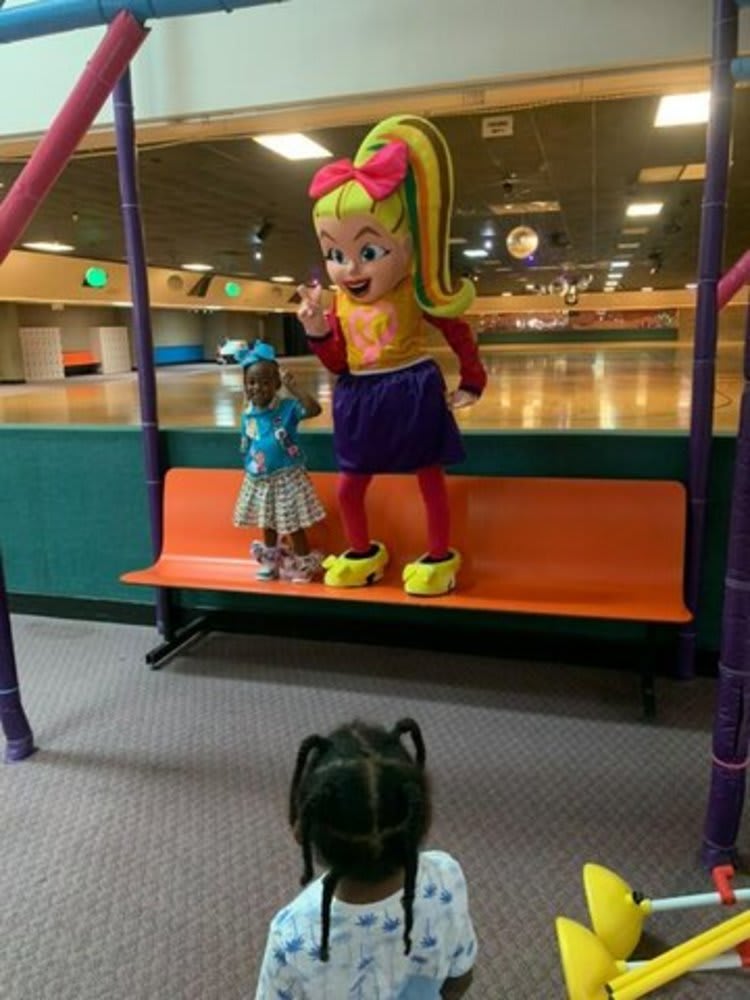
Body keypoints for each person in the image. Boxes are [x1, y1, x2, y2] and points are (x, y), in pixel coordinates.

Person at [296, 114, 487, 598]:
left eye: (368, 252)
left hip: (411, 387)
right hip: (358, 395)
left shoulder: (413, 292)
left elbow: (458, 331)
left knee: (430, 480)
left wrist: (471, 381)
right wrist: (317, 332)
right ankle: (362, 552)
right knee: (349, 485)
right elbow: (339, 363)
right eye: (335, 256)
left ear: (404, 244)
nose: (350, 269)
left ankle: (439, 556)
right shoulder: (339, 304)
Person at [255, 718, 477, 999]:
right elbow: (460, 978)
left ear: (302, 830)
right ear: (420, 817)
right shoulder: (447, 877)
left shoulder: (292, 934)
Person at [232, 341, 325, 582]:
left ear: (276, 384)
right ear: (245, 385)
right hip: (260, 478)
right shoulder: (247, 414)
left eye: (265, 382)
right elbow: (248, 442)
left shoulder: (287, 408)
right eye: (252, 382)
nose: (258, 388)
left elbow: (314, 409)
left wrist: (295, 389)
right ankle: (271, 562)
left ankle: (303, 564)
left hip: (286, 476)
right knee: (267, 521)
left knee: (293, 522)